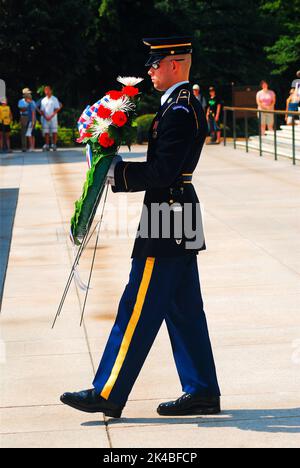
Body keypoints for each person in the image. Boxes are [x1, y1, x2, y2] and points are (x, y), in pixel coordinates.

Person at [61, 36, 221, 419]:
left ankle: (108, 391)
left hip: (168, 215)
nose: (149, 70)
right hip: (176, 212)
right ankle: (201, 390)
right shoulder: (177, 107)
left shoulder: (180, 111)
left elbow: (163, 171)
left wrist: (117, 172)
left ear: (176, 65)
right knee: (183, 308)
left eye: (155, 64)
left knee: (138, 305)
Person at [39, 86, 62, 151]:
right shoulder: (43, 100)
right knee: (46, 132)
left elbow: (57, 108)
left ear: (51, 91)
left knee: (54, 131)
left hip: (53, 118)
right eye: (45, 91)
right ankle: (47, 145)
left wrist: (51, 116)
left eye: (48, 90)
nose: (47, 92)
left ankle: (54, 145)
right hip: (45, 118)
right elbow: (42, 110)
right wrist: (46, 117)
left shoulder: (54, 99)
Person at [18, 87, 32, 152]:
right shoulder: (21, 101)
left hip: (30, 116)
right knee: (23, 133)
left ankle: (31, 147)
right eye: (28, 93)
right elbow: (22, 109)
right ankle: (24, 147)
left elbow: (33, 109)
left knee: (30, 132)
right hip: (24, 117)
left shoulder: (31, 101)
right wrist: (28, 107)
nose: (29, 94)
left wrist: (26, 107)